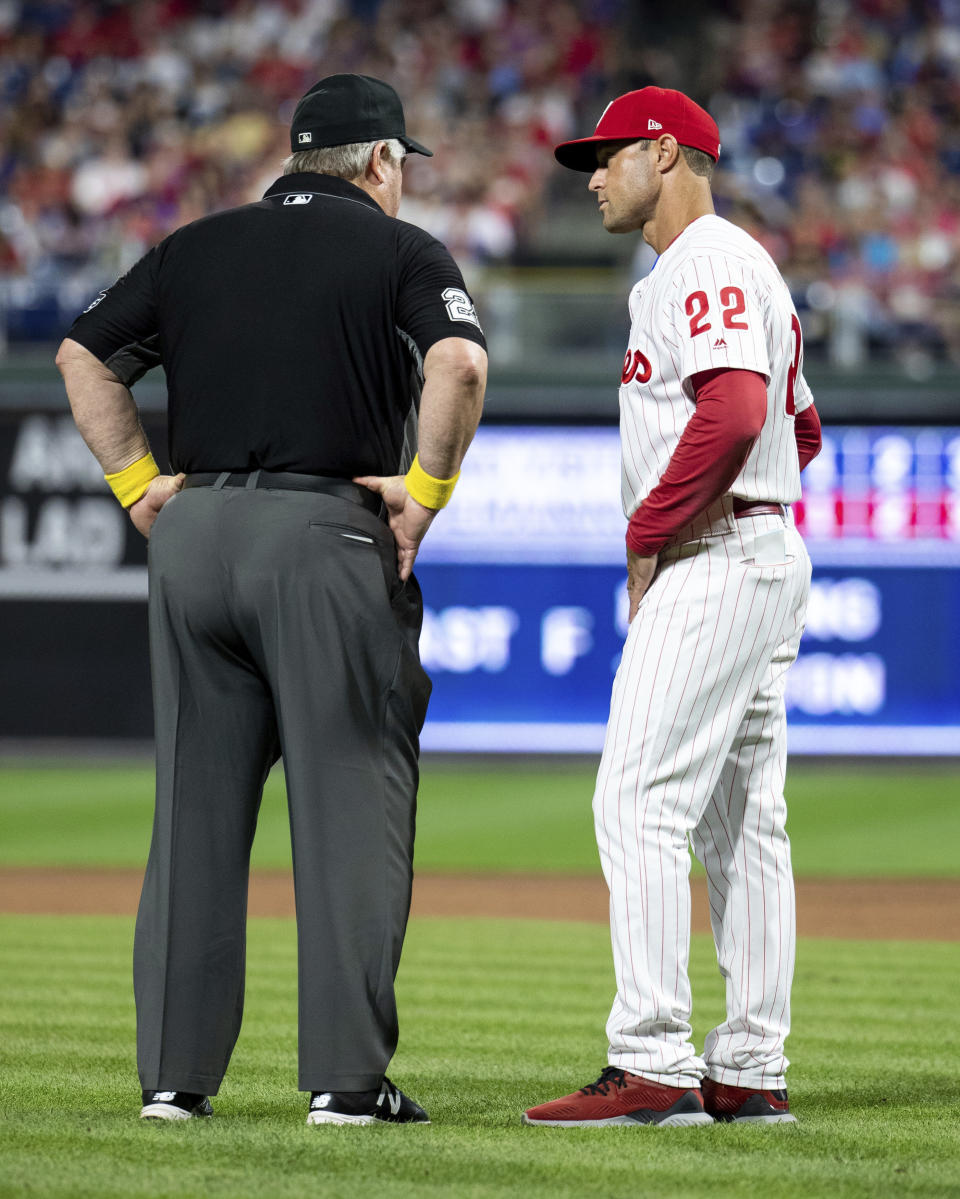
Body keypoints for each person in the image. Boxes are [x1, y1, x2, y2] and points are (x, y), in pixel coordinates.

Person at [56, 73, 487, 1126]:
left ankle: (172, 1080)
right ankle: (344, 1081)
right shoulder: (401, 249)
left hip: (195, 537)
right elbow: (461, 365)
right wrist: (425, 494)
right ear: (383, 162)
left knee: (194, 814)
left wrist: (136, 486)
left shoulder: (194, 245)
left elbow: (81, 355)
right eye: (401, 164)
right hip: (322, 530)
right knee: (349, 806)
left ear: (296, 158)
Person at [523, 87, 822, 1128]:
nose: (593, 175)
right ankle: (747, 1064)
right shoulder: (730, 268)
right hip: (753, 543)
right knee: (743, 823)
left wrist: (654, 528)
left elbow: (740, 411)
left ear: (664, 149)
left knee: (639, 797)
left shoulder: (706, 261)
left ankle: (650, 1062)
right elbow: (802, 426)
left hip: (716, 551)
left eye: (606, 156)